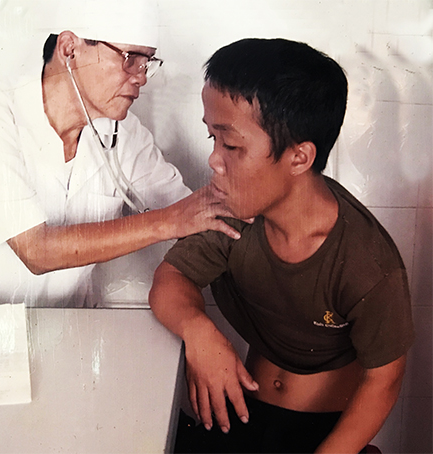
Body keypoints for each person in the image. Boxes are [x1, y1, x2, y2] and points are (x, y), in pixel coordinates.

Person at [149, 38, 415, 453]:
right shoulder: (234, 210)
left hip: (323, 431)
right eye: (211, 138)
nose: (214, 160)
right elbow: (171, 277)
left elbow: (384, 378)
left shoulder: (367, 264)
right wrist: (198, 332)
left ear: (299, 158)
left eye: (231, 145)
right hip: (244, 413)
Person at [0, 1, 242, 307]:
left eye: (147, 63)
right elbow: (36, 251)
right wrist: (169, 221)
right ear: (69, 49)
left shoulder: (124, 134)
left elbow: (195, 213)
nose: (141, 77)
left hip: (62, 333)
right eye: (130, 59)